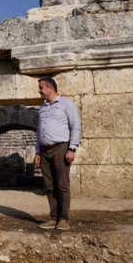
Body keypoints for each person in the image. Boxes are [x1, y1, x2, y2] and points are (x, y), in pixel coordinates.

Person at [34, 76, 81, 231]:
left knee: (62, 184)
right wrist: (38, 151)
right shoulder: (42, 108)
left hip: (61, 147)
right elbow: (39, 131)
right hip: (45, 150)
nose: (39, 91)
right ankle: (54, 218)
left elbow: (75, 127)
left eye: (41, 87)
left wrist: (72, 148)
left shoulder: (66, 104)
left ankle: (64, 219)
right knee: (49, 185)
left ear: (50, 88)